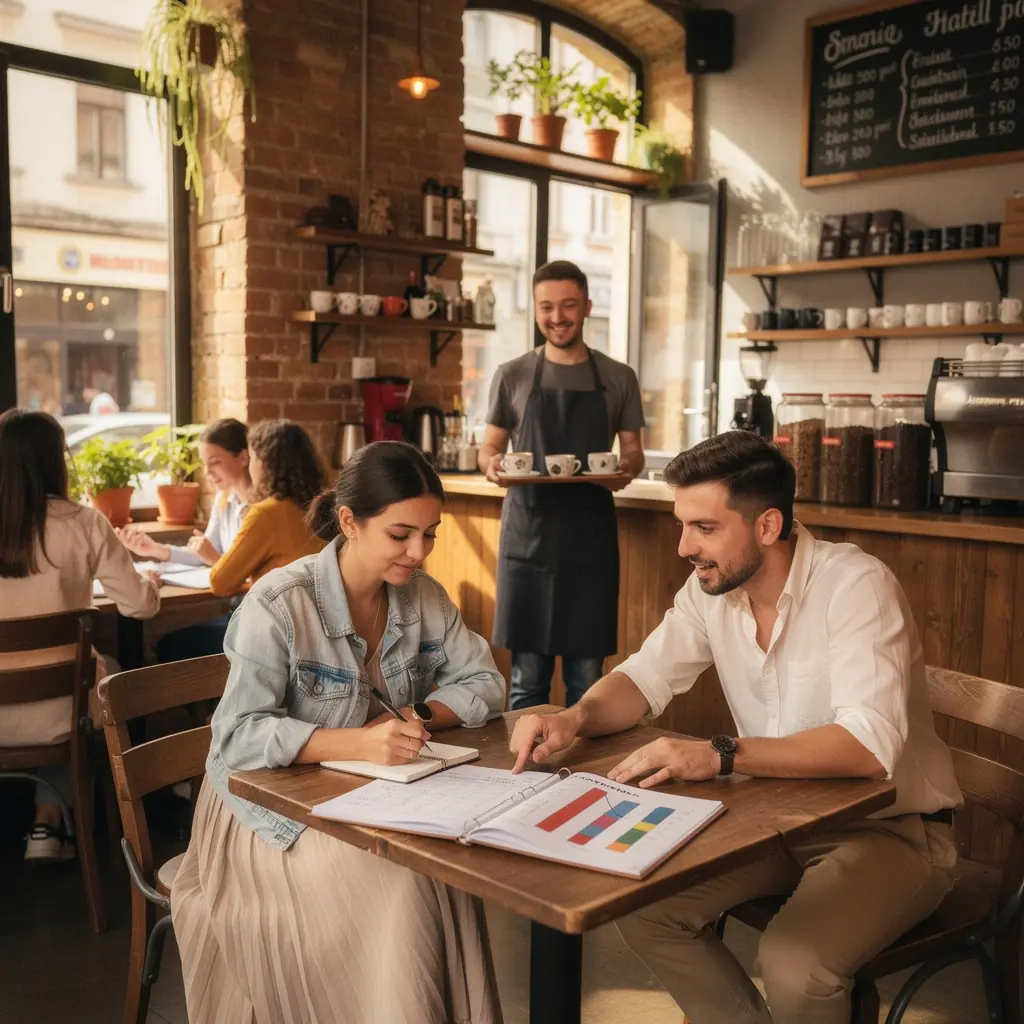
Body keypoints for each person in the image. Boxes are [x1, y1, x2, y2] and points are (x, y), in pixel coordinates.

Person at [508, 431, 962, 1024]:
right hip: (775, 821)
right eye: (682, 525)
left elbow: (868, 748)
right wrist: (571, 716)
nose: (682, 546)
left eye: (704, 527)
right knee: (643, 909)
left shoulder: (857, 587)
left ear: (767, 526)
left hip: (893, 831)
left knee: (795, 962)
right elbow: (645, 677)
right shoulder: (710, 590)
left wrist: (719, 754)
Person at [171, 441, 506, 1024]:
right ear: (349, 521)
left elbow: (485, 681)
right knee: (403, 882)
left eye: (431, 533)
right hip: (264, 815)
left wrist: (418, 718)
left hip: (369, 798)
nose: (419, 551)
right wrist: (356, 743)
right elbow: (237, 736)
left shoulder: (422, 595)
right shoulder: (278, 602)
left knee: (447, 869)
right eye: (401, 534)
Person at [478, 259, 646, 710]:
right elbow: (488, 448)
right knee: (526, 683)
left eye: (568, 306)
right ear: (535, 309)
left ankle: (584, 775)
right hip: (526, 545)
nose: (557, 317)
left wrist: (622, 468)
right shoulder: (511, 374)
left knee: (587, 687)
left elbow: (634, 452)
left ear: (587, 307)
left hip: (589, 547)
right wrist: (493, 464)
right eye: (546, 307)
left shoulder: (618, 377)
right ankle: (519, 778)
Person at [0, 409, 159, 861]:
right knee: (101, 679)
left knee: (79, 677)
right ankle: (64, 822)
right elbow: (139, 606)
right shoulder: (84, 523)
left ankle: (47, 821)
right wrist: (152, 583)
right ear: (57, 460)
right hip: (60, 713)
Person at [118, 418, 251, 660]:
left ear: (243, 457)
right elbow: (205, 554)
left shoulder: (261, 511)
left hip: (253, 622)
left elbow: (235, 569)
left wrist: (214, 558)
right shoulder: (224, 500)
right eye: (204, 464)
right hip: (236, 613)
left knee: (170, 648)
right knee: (168, 645)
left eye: (215, 462)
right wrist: (156, 549)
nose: (208, 472)